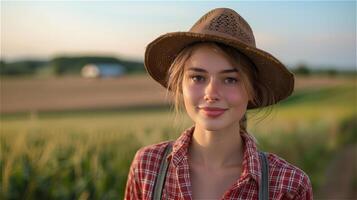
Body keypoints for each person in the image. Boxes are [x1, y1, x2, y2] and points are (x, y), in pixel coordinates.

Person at [125, 8, 313, 200]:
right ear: (179, 84)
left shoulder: (288, 185)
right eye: (198, 77)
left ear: (252, 90)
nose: (211, 94)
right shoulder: (147, 167)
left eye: (230, 79)